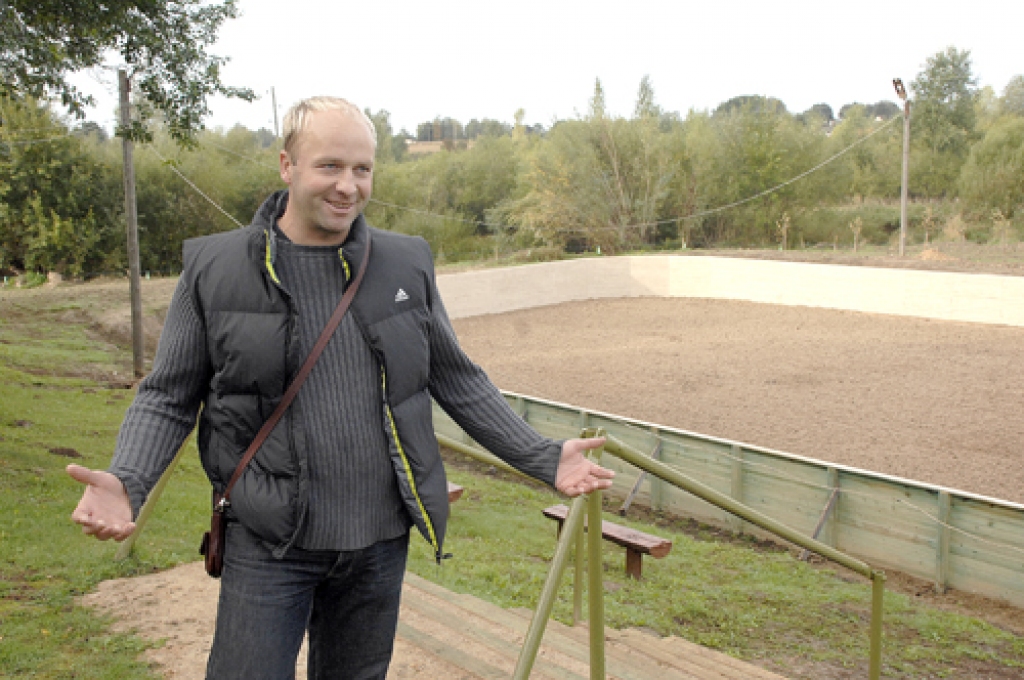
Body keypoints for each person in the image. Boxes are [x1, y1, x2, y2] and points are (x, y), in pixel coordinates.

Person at [67, 96, 614, 680]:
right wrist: (128, 478)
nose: (348, 186)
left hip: (378, 542)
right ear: (287, 166)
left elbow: (454, 376)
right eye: (329, 166)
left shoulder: (406, 263)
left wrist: (543, 455)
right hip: (268, 539)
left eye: (362, 169)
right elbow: (168, 395)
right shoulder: (215, 269)